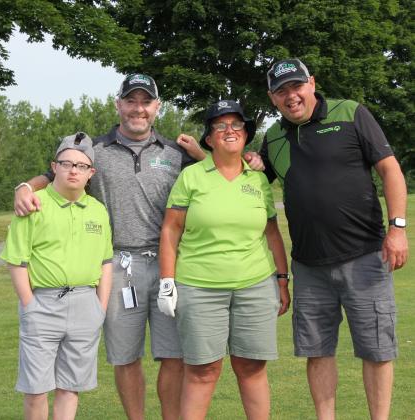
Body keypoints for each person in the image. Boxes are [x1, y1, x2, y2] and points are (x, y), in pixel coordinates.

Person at [13, 74, 206, 420]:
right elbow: (54, 172)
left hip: (169, 266)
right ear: (118, 104)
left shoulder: (176, 153)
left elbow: (217, 173)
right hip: (117, 268)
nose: (138, 109)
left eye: (145, 102)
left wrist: (221, 156)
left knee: (174, 356)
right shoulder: (95, 151)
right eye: (130, 101)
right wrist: (25, 187)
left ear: (156, 108)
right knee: (125, 356)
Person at [257, 58, 408, 419]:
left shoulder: (350, 112)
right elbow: (244, 178)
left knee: (376, 350)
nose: (291, 96)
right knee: (317, 352)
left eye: (296, 86)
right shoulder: (274, 137)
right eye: (281, 91)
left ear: (311, 83)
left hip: (366, 257)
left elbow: (390, 168)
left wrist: (398, 228)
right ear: (272, 98)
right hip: (309, 267)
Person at [159, 100, 290, 419]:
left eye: (236, 125)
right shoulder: (191, 177)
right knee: (203, 371)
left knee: (252, 367)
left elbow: (272, 234)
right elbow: (170, 231)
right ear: (208, 138)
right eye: (220, 126)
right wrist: (167, 281)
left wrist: (282, 281)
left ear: (245, 135)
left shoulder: (258, 180)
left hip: (255, 287)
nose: (229, 131)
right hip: (199, 287)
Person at [1, 133, 113, 420]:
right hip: (43, 305)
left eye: (81, 166)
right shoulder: (33, 204)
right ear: (54, 167)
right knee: (36, 389)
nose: (73, 170)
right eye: (66, 163)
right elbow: (17, 261)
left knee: (70, 387)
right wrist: (29, 304)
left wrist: (100, 307)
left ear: (91, 173)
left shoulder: (98, 211)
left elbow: (105, 262)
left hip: (85, 304)